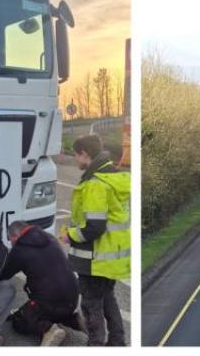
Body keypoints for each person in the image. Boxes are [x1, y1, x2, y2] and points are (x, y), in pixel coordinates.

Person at [60, 134, 130, 346]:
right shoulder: (116, 177)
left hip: (94, 258)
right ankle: (117, 341)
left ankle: (96, 345)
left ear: (85, 154)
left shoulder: (95, 184)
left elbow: (94, 227)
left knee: (91, 306)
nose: (74, 160)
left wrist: (69, 235)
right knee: (108, 300)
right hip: (111, 258)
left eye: (75, 155)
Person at [1, 220, 84, 346]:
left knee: (19, 321)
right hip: (73, 297)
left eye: (11, 240)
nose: (11, 243)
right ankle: (73, 320)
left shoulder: (19, 250)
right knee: (44, 294)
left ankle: (48, 329)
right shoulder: (49, 238)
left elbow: (4, 274)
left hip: (51, 302)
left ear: (15, 237)